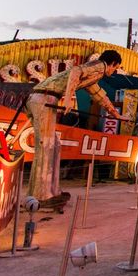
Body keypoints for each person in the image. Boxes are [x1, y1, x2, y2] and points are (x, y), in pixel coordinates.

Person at [26, 49, 124, 204]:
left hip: (42, 98)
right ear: (112, 63)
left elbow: (98, 93)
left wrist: (114, 112)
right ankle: (41, 195)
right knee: (47, 145)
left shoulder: (93, 76)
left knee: (54, 144)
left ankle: (51, 190)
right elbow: (76, 70)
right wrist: (67, 99)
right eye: (116, 67)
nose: (115, 71)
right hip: (45, 98)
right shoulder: (99, 66)